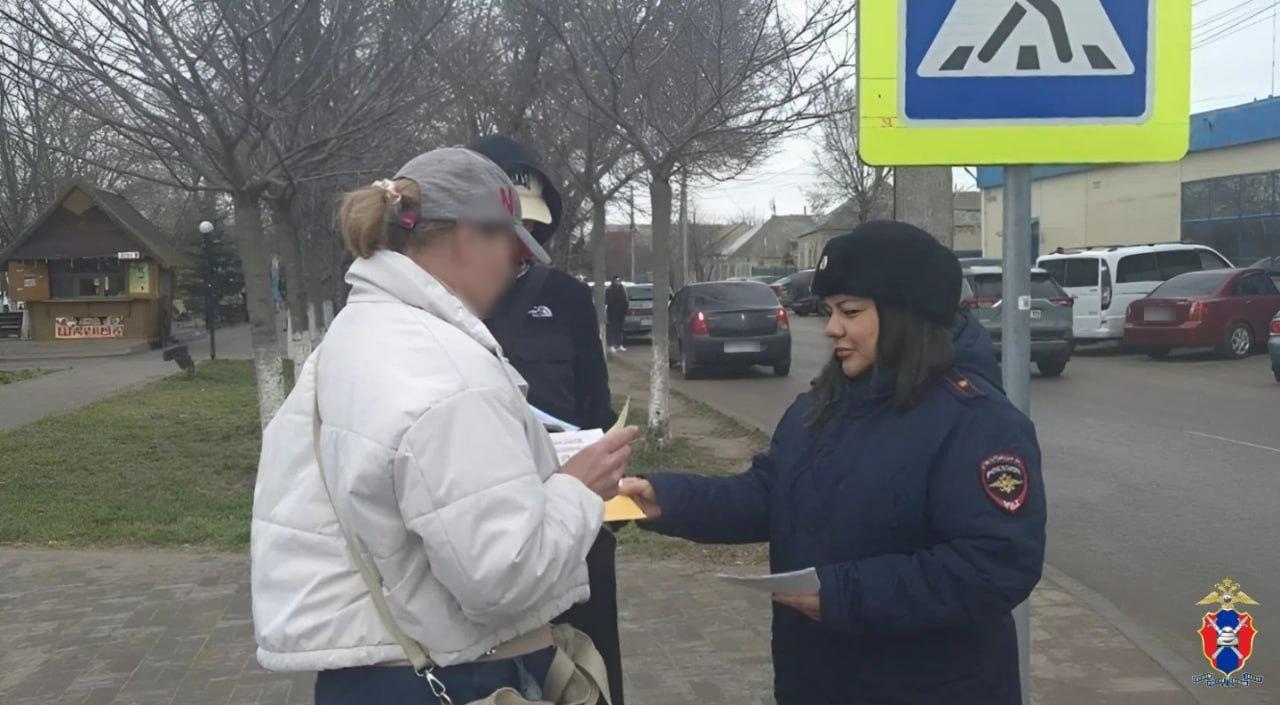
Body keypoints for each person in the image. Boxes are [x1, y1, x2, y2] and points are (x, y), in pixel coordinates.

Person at [251, 147, 639, 705]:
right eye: (511, 247)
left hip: (373, 669)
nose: (515, 266)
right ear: (465, 237)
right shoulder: (450, 371)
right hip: (452, 678)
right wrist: (577, 489)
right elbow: (503, 576)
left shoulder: (355, 334)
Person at [620, 220, 1047, 705]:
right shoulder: (825, 403)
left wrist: (846, 595)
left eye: (850, 311)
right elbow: (770, 493)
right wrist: (666, 500)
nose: (831, 328)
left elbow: (995, 564)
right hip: (818, 680)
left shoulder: (976, 420)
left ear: (906, 314)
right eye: (829, 311)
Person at [469, 134, 626, 704]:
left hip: (573, 526)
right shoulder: (431, 306)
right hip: (483, 535)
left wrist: (608, 485)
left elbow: (595, 409)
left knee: (587, 674)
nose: (518, 240)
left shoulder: (566, 297)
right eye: (503, 226)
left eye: (530, 226)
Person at [605, 277, 628, 353]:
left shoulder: (622, 289)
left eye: (619, 281)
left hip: (621, 313)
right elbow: (607, 301)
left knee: (620, 329)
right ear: (613, 281)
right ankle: (611, 345)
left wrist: (625, 310)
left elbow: (626, 300)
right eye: (616, 281)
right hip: (612, 312)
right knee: (612, 329)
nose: (617, 282)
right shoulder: (609, 290)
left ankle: (619, 345)